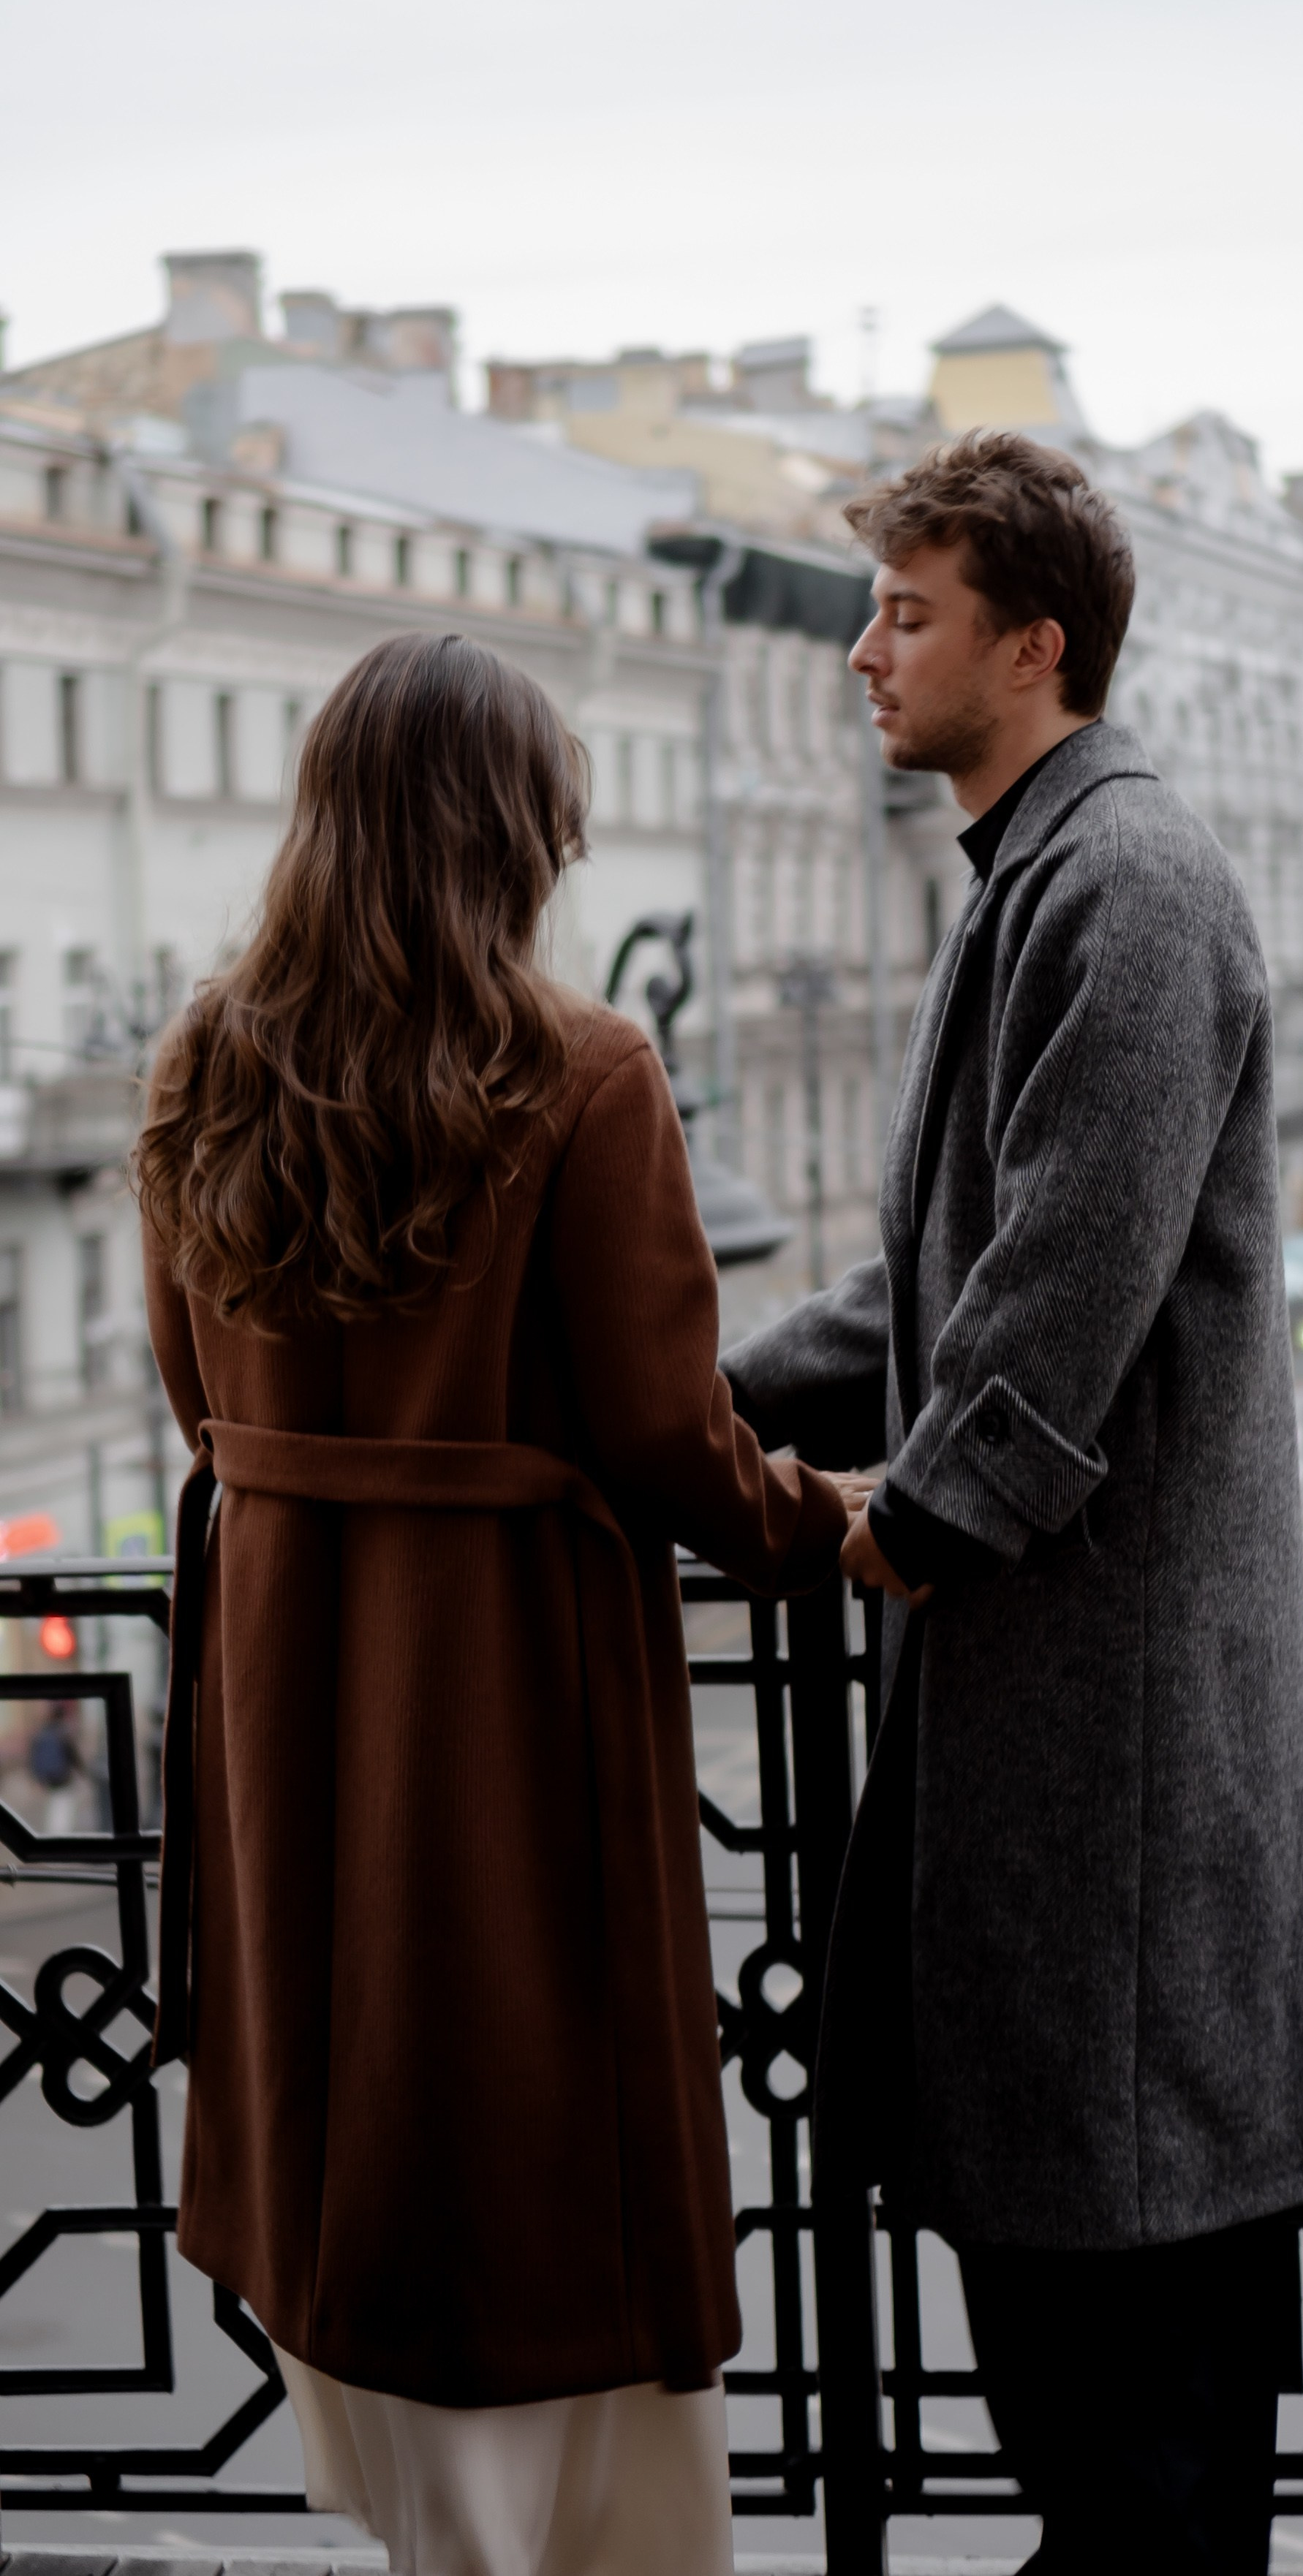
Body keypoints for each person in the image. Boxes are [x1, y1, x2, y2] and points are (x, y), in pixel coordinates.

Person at [722, 431, 1303, 2574]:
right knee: (1097, 2433)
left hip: (1118, 1796)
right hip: (1063, 1773)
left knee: (1143, 2453)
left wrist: (899, 1521)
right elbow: (931, 1290)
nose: (861, 654)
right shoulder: (1037, 875)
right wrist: (677, 1409)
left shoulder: (1128, 884)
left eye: (906, 613)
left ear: (1034, 644)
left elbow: (1051, 1300)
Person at [135, 632, 849, 2576]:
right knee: (532, 2107)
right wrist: (831, 1527)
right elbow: (664, 1433)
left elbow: (198, 1402)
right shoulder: (586, 1067)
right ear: (515, 828)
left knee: (345, 2093)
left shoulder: (206, 1056)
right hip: (504, 1686)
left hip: (288, 1674)